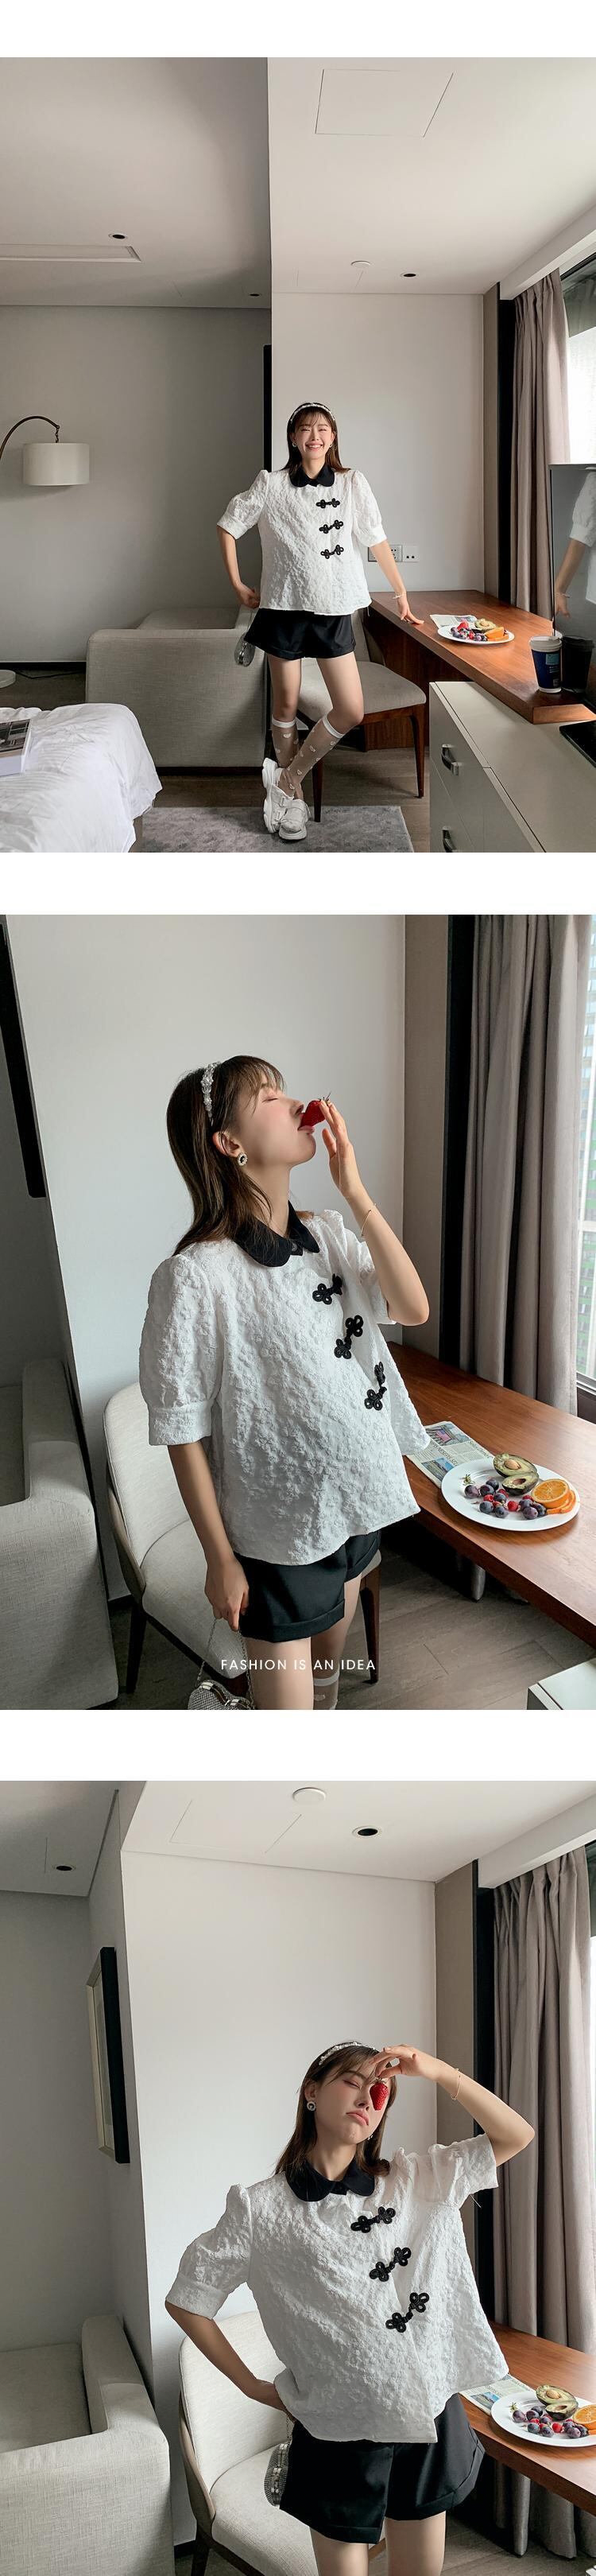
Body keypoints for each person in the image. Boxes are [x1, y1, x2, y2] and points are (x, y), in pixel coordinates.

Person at [165, 2037, 534, 2576]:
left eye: (379, 2092)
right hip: (337, 2429)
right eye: (352, 2082)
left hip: (426, 2414)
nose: (367, 2098)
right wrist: (252, 2387)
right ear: (311, 2092)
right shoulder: (260, 2209)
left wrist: (436, 2071)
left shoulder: (419, 2178)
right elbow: (188, 2299)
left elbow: (516, 2134)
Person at [139, 1053, 430, 1712]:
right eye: (269, 1096)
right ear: (230, 1143)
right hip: (276, 1538)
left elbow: (413, 1308)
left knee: (326, 1689)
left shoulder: (328, 1234)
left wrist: (356, 1192)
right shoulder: (196, 1277)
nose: (296, 1103)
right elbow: (182, 1432)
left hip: (354, 1506)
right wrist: (220, 1558)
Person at [217, 401, 424, 842]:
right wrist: (237, 584)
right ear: (293, 438)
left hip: (333, 609)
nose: (315, 435)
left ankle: (286, 779)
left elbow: (376, 538)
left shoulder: (352, 483)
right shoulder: (271, 484)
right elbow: (229, 525)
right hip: (283, 608)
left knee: (350, 709)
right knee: (286, 705)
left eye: (323, 428)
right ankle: (295, 804)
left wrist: (401, 592)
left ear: (333, 437)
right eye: (306, 429)